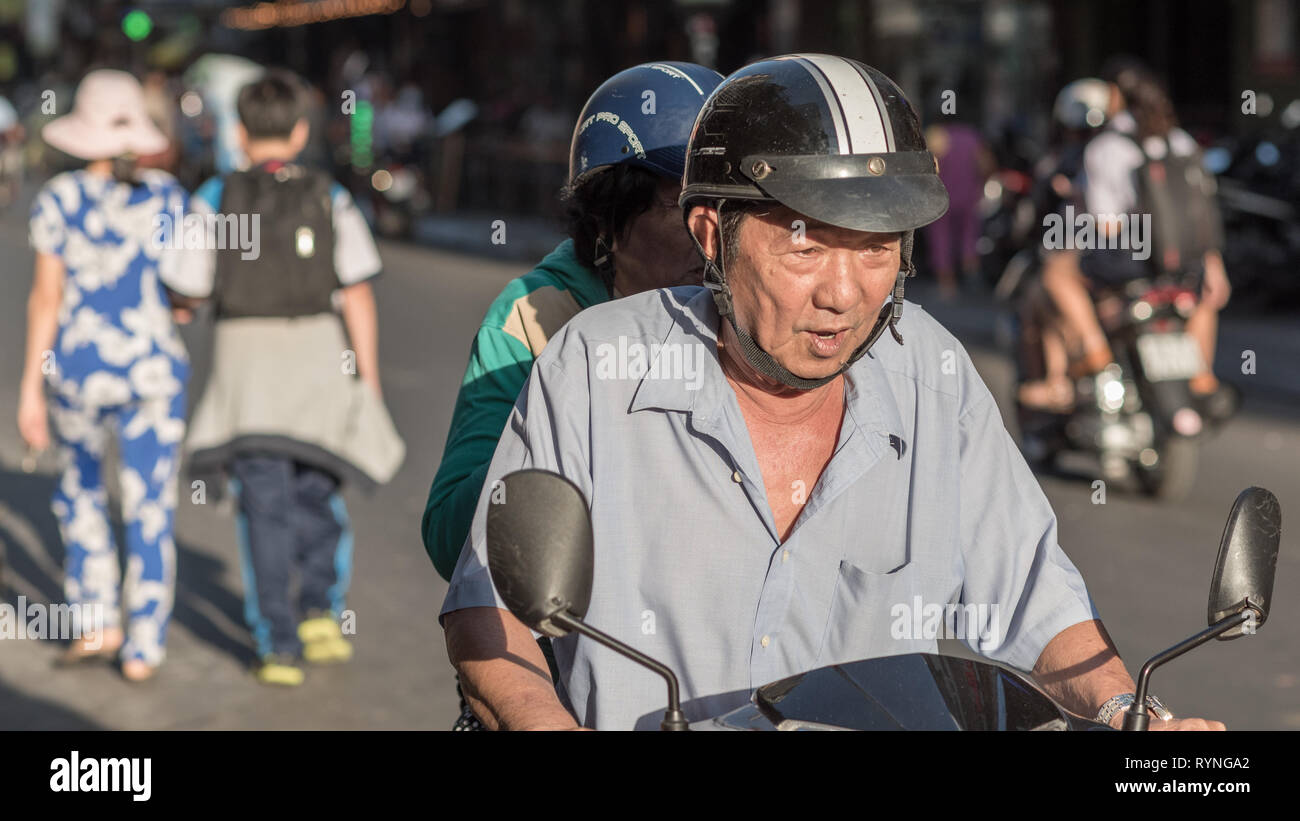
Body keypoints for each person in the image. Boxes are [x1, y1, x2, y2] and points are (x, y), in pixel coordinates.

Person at [439, 54, 1224, 731]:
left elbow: (1032, 597)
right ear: (714, 236)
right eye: (805, 244)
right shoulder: (593, 365)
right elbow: (489, 605)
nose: (844, 295)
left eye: (878, 248)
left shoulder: (932, 376)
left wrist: (1128, 712)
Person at [422, 61, 722, 729]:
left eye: (733, 208)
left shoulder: (747, 310)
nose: (717, 235)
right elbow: (451, 529)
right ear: (610, 219)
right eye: (687, 208)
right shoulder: (537, 314)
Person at [161, 69, 404, 686]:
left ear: (239, 134)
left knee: (262, 508)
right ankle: (321, 609)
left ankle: (277, 643)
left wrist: (184, 308)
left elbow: (187, 288)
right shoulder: (331, 196)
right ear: (299, 133)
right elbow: (357, 296)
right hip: (320, 365)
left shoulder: (215, 195)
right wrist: (367, 380)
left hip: (247, 376)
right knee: (320, 493)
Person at [20, 69, 193, 682]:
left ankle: (97, 622)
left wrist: (29, 388)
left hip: (77, 372)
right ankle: (144, 644)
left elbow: (45, 299)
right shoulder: (171, 196)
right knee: (152, 505)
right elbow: (187, 291)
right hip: (153, 372)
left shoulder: (59, 198)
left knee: (80, 493)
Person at [1037, 60, 1235, 418]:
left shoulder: (1106, 147)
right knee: (1200, 293)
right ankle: (1201, 374)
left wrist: (1076, 202)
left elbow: (1106, 224)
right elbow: (1202, 211)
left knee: (1055, 273)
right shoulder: (1181, 141)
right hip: (1184, 261)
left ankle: (1094, 349)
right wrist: (1213, 265)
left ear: (1115, 96)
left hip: (1131, 259)